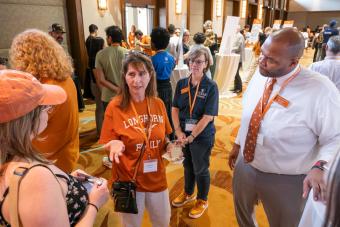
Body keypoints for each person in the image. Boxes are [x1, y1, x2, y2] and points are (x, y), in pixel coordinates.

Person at [228, 28, 340, 227]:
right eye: (262, 53)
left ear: (293, 62)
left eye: (271, 59)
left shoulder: (320, 90)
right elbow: (250, 113)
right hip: (246, 163)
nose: (262, 61)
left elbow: (335, 136)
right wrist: (238, 143)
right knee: (243, 214)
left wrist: (320, 166)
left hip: (286, 177)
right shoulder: (262, 73)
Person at [0, 69, 109, 226]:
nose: (49, 110)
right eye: (44, 107)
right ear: (28, 118)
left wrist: (67, 179)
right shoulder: (35, 178)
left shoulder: (13, 159)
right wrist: (94, 204)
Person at [99, 52, 172, 227]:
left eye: (142, 74)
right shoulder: (115, 106)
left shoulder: (158, 104)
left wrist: (169, 145)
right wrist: (114, 144)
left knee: (163, 222)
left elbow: (165, 136)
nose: (136, 80)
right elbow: (107, 142)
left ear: (150, 75)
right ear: (124, 77)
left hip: (156, 177)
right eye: (131, 74)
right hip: (128, 180)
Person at [10, 29, 80, 173]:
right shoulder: (66, 79)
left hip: (47, 161)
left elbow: (23, 135)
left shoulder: (43, 90)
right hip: (68, 151)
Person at [171, 48, 219, 219]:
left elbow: (207, 117)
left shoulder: (211, 86)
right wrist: (178, 132)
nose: (194, 64)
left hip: (202, 136)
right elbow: (175, 108)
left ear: (206, 64)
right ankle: (188, 192)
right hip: (183, 134)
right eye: (192, 60)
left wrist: (191, 137)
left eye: (199, 61)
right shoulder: (181, 84)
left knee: (200, 168)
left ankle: (202, 200)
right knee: (187, 165)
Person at [48, 23, 85, 112]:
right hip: (55, 85)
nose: (60, 36)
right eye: (57, 33)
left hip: (65, 82)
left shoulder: (60, 47)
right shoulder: (47, 49)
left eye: (61, 33)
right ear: (50, 34)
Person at [94, 25, 128, 112]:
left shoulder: (100, 54)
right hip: (126, 94)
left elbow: (101, 79)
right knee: (125, 123)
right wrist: (121, 90)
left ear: (109, 38)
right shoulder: (128, 53)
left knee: (111, 123)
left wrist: (117, 90)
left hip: (108, 96)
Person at [151, 27, 176, 139]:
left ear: (154, 43)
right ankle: (171, 136)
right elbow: (172, 68)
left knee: (158, 112)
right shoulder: (171, 58)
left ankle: (159, 136)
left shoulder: (152, 59)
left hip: (157, 87)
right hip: (168, 86)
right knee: (168, 110)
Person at [85, 24, 105, 136]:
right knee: (101, 108)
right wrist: (103, 90)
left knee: (99, 108)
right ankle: (101, 132)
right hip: (98, 85)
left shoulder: (89, 41)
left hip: (95, 84)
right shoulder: (96, 60)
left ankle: (100, 131)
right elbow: (98, 79)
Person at [85, 24, 104, 100]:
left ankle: (95, 95)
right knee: (95, 79)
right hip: (94, 60)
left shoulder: (88, 39)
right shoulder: (94, 39)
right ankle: (96, 95)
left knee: (93, 79)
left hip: (91, 60)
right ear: (95, 30)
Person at [231, 26, 245, 93]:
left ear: (238, 29)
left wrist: (231, 49)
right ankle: (236, 87)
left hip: (239, 57)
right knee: (234, 73)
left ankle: (239, 88)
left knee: (236, 73)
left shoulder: (240, 36)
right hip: (235, 56)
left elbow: (239, 47)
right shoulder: (235, 35)